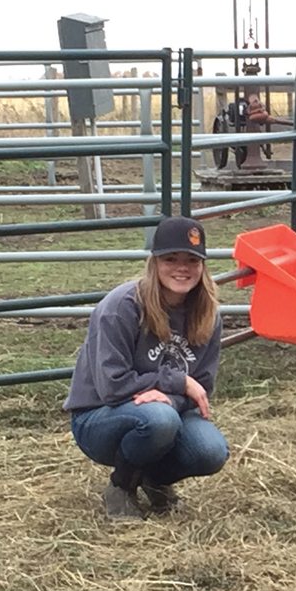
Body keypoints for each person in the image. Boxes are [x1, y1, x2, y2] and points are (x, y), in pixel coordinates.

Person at [64, 215, 229, 518]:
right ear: (154, 262)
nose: (182, 268)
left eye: (192, 260)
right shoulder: (121, 307)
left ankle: (154, 479)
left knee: (211, 451)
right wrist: (177, 384)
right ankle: (121, 487)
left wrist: (170, 397)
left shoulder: (208, 315)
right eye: (171, 259)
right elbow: (113, 386)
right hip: (99, 416)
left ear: (203, 266)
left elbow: (201, 388)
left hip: (168, 413)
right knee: (159, 419)